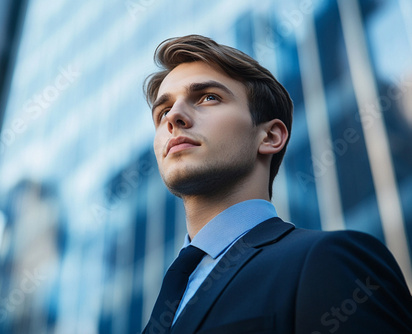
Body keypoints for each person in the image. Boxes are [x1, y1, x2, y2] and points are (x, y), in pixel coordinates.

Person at [141, 34, 412, 334]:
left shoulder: (329, 261)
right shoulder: (162, 310)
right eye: (162, 111)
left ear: (270, 137)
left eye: (208, 97)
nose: (174, 116)